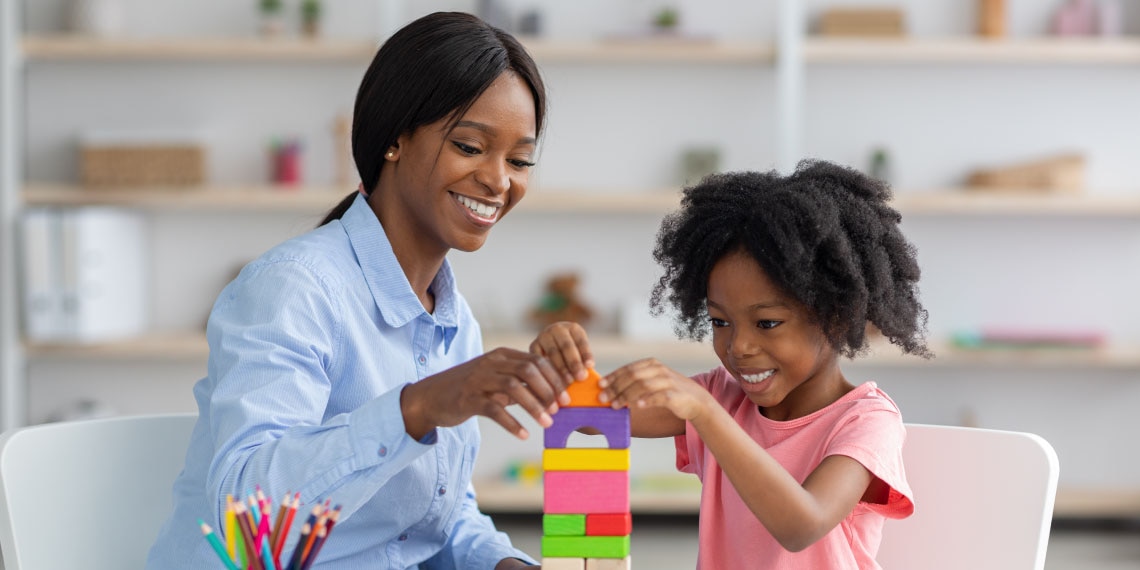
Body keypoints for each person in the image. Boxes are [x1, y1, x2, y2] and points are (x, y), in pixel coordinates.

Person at [148, 12, 563, 569]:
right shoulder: (293, 288)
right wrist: (413, 410)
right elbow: (245, 512)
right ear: (395, 138)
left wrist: (503, 563)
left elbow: (432, 515)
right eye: (470, 146)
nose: (498, 180)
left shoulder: (455, 320)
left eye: (519, 160)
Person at [532, 161, 929, 568]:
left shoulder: (866, 421)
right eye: (720, 321)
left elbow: (802, 525)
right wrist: (556, 361)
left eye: (767, 323)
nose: (738, 346)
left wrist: (705, 413)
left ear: (836, 315)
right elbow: (586, 414)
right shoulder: (720, 397)